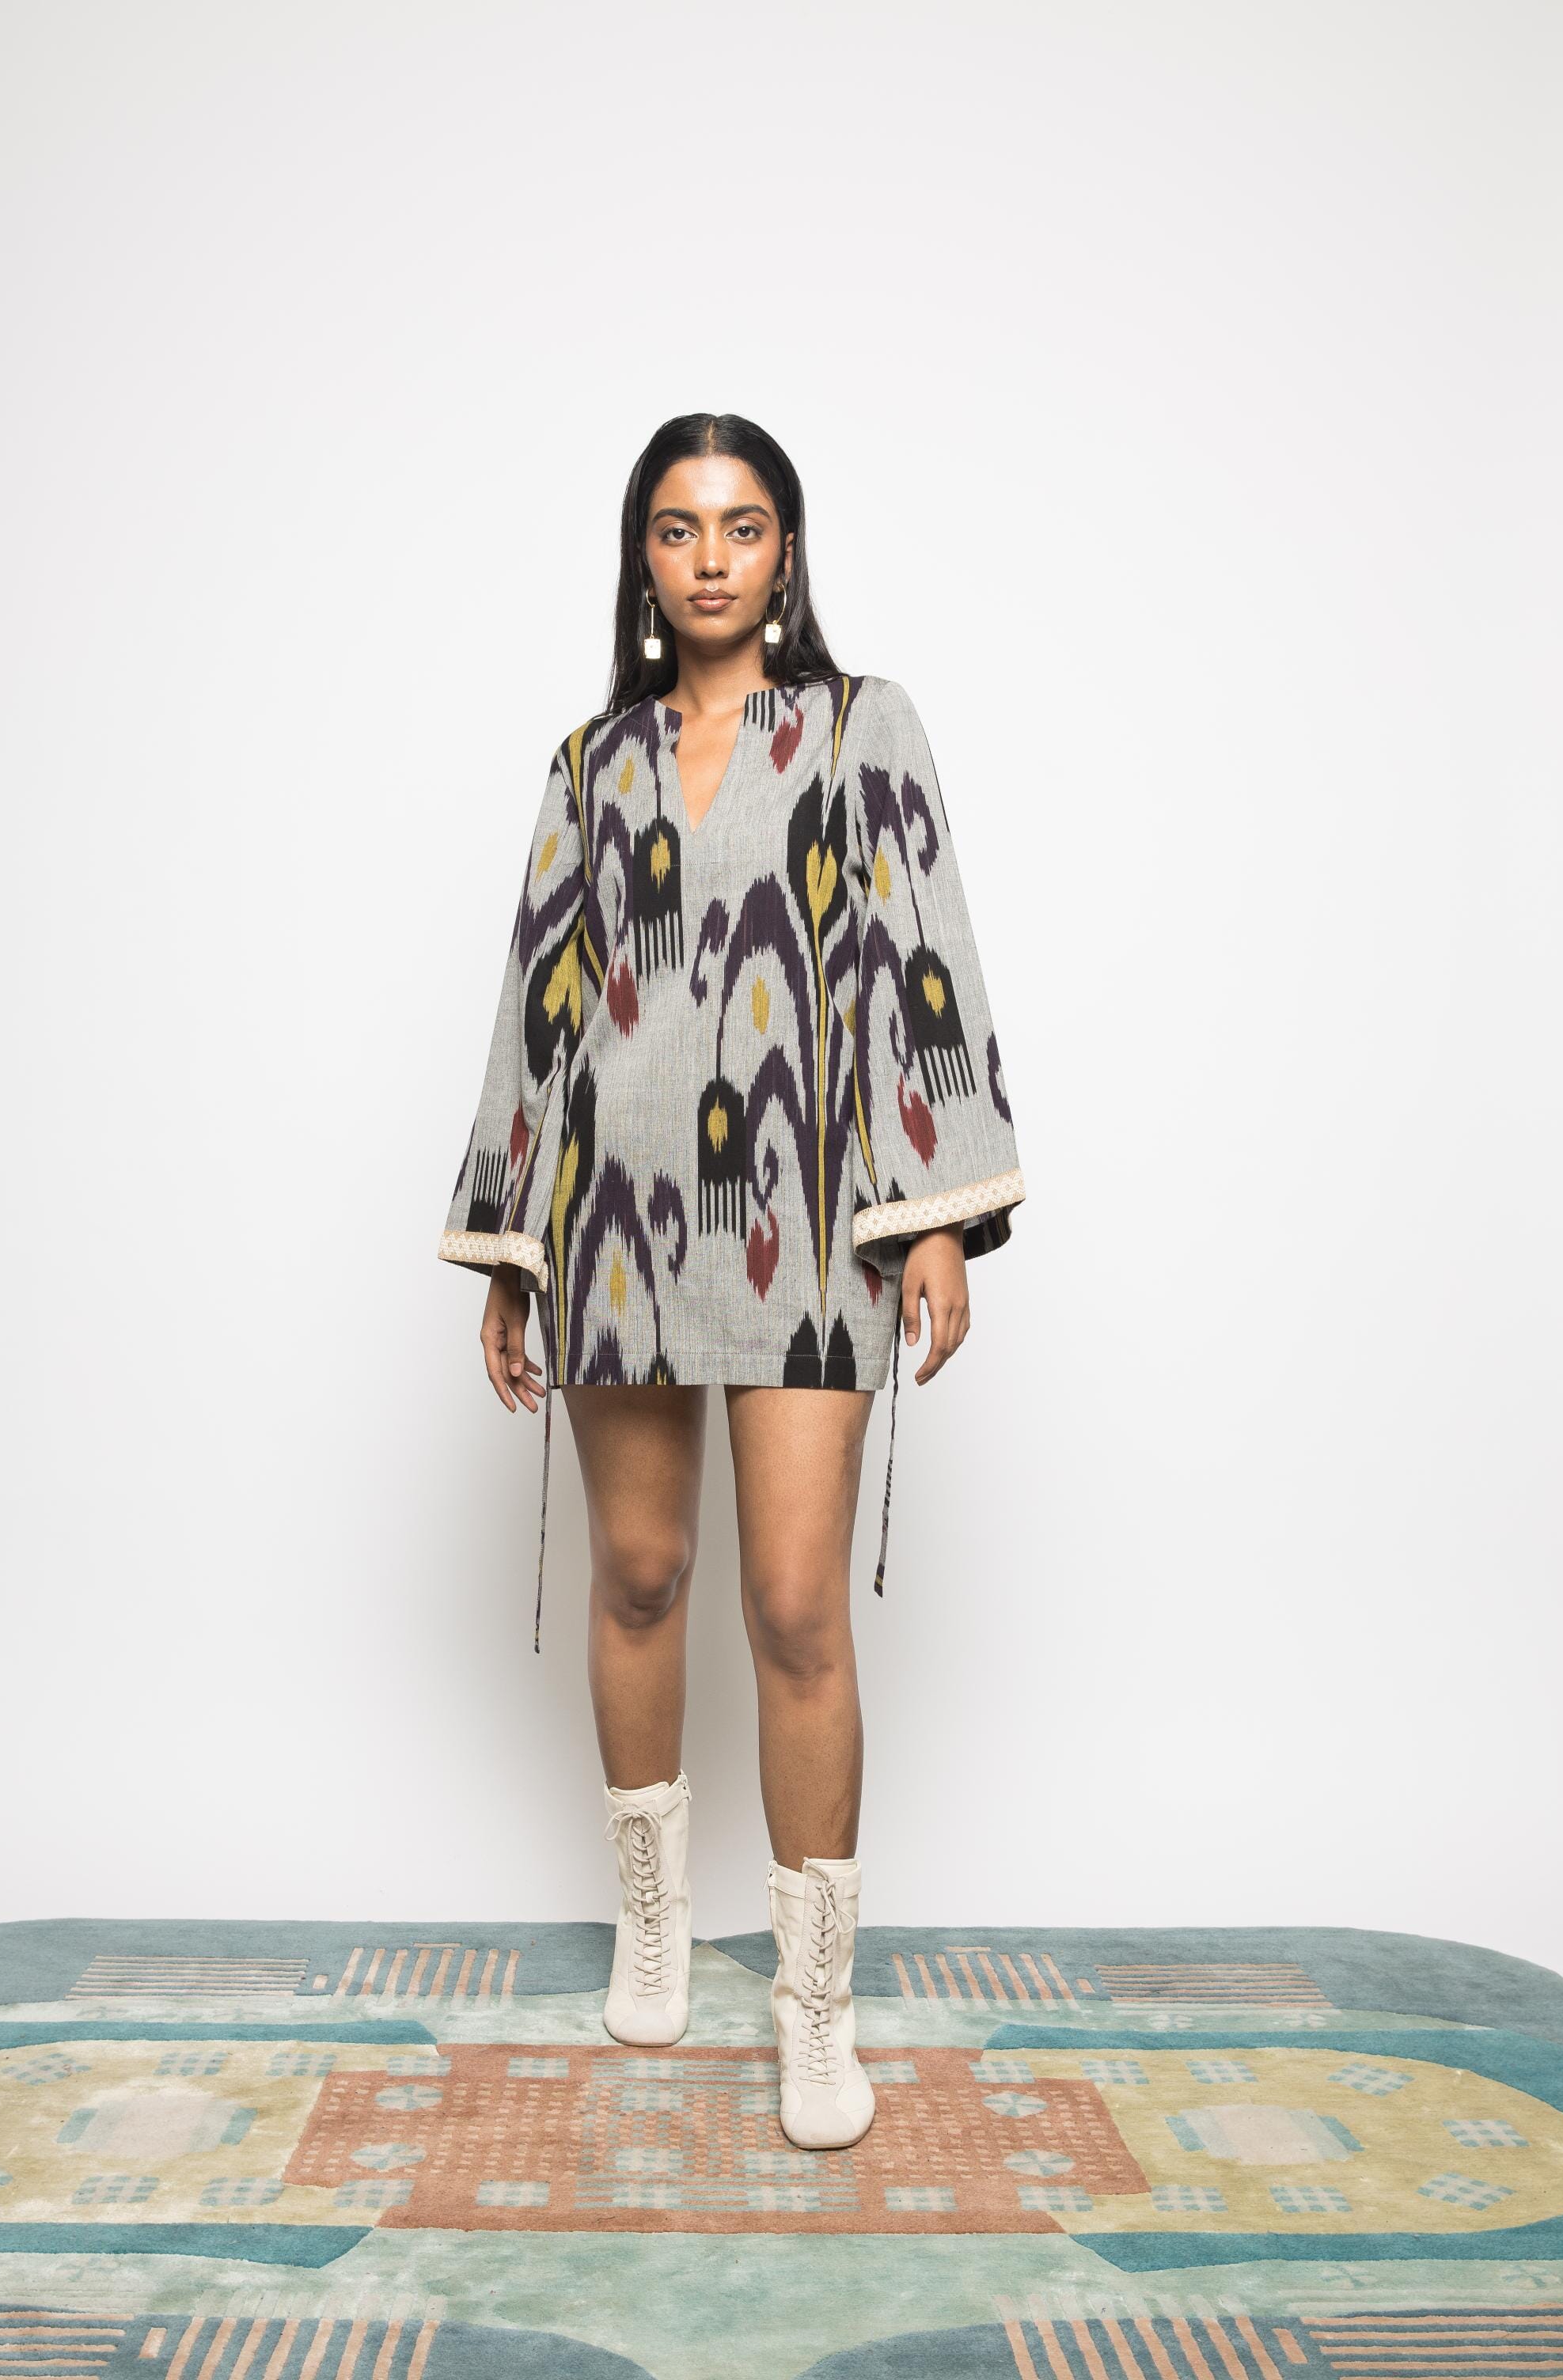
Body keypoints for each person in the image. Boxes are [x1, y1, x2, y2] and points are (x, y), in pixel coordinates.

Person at [438, 411, 1024, 2151]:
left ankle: (815, 2009)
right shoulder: (588, 764)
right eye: (681, 528)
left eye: (744, 526)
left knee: (790, 1606)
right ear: (643, 557)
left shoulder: (860, 727)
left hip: (812, 1213)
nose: (712, 558)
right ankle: (652, 1925)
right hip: (614, 1214)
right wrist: (511, 1247)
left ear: (786, 552)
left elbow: (920, 951)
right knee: (636, 1576)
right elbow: (539, 999)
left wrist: (933, 1213)